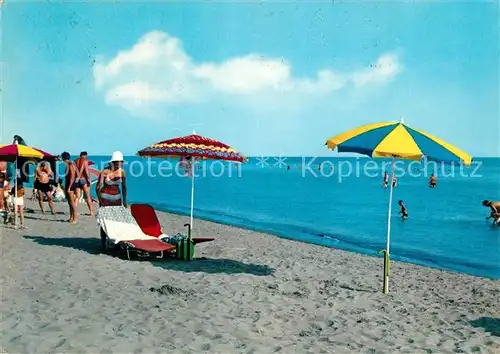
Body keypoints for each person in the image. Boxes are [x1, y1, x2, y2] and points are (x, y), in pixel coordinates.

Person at [74, 151, 94, 216]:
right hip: (83, 179)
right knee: (88, 196)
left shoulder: (75, 161)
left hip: (76, 179)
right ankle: (91, 212)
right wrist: (89, 179)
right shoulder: (85, 161)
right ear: (85, 155)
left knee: (77, 196)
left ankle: (74, 211)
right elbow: (86, 171)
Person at [61, 152, 78, 224]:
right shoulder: (68, 165)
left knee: (72, 202)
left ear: (63, 158)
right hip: (69, 184)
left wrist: (69, 187)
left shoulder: (70, 165)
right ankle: (71, 217)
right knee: (69, 202)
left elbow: (72, 177)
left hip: (71, 185)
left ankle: (75, 218)